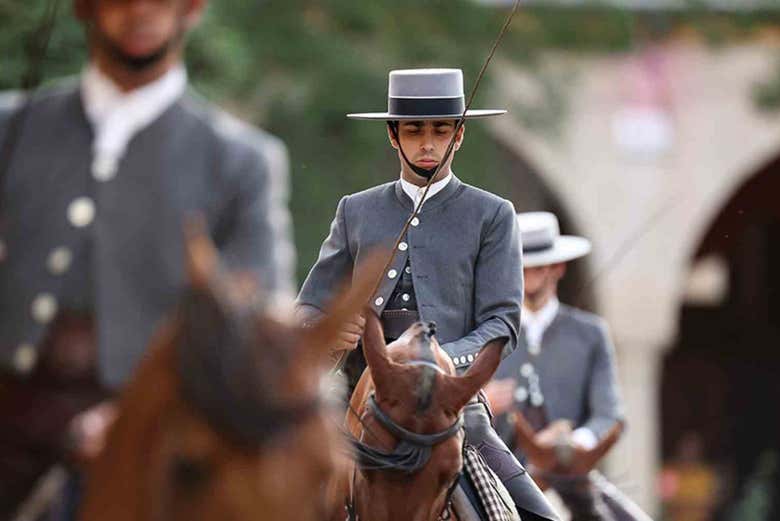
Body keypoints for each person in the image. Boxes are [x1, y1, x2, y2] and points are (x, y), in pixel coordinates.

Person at [0, 0, 294, 515]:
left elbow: (248, 327)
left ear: (191, 9)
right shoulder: (12, 125)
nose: (140, 12)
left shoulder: (240, 161)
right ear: (85, 8)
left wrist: (143, 415)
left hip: (143, 440)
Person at [296, 68, 559, 521]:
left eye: (441, 130)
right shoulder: (355, 210)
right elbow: (309, 308)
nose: (427, 144)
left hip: (450, 405)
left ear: (459, 136)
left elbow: (501, 323)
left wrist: (442, 363)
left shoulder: (492, 214)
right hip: (357, 400)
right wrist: (328, 332)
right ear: (393, 135)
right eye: (414, 131)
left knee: (537, 514)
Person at [487, 211, 652, 521]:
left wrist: (572, 444)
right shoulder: (488, 333)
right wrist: (483, 398)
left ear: (558, 267)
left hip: (572, 476)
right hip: (499, 475)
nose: (528, 275)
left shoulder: (590, 333)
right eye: (521, 267)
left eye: (538, 267)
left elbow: (609, 413)